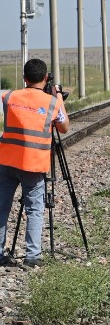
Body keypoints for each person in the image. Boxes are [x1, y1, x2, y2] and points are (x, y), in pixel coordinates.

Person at [0, 59, 69, 268]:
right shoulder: (52, 102)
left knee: (2, 208)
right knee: (35, 210)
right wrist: (58, 96)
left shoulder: (9, 97)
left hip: (6, 161)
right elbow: (64, 127)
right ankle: (32, 255)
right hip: (33, 164)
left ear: (24, 78)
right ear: (46, 78)